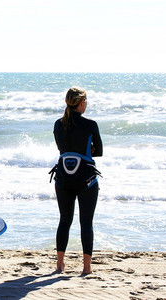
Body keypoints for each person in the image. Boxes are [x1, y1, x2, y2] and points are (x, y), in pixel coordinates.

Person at [52, 87, 103, 275]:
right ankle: (86, 267)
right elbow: (99, 151)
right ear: (81, 103)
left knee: (64, 220)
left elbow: (62, 149)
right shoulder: (91, 124)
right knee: (86, 222)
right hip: (86, 179)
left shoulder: (58, 124)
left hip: (63, 178)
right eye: (86, 101)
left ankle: (59, 265)